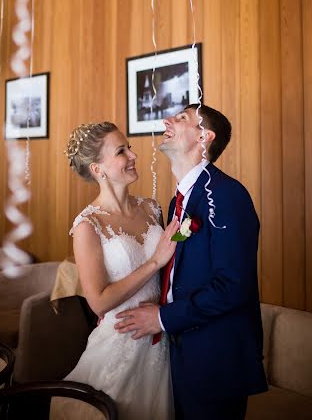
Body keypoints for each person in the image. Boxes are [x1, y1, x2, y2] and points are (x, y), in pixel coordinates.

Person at [115, 104, 268, 420]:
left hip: (215, 358)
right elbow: (179, 267)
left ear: (204, 136)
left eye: (181, 118)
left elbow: (232, 287)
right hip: (180, 350)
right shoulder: (178, 203)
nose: (166, 120)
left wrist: (162, 318)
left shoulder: (228, 194)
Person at [53, 121, 177, 420]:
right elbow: (98, 301)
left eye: (129, 147)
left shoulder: (152, 209)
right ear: (98, 169)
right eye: (121, 151)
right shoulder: (88, 225)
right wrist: (154, 262)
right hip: (121, 341)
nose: (133, 155)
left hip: (160, 338)